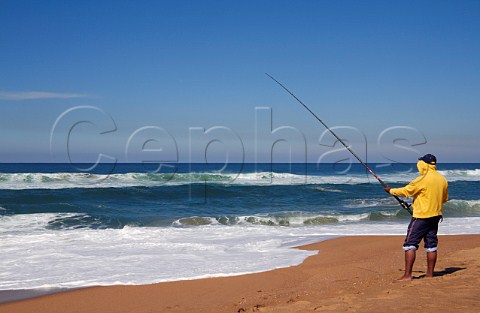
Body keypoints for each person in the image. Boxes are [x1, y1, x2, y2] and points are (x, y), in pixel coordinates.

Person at [384, 154, 448, 281]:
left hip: (421, 217)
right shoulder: (442, 179)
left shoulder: (422, 179)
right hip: (435, 216)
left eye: (420, 162)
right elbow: (444, 199)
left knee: (410, 244)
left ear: (424, 164)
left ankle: (407, 275)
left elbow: (407, 191)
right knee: (431, 245)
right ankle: (430, 275)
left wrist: (391, 190)